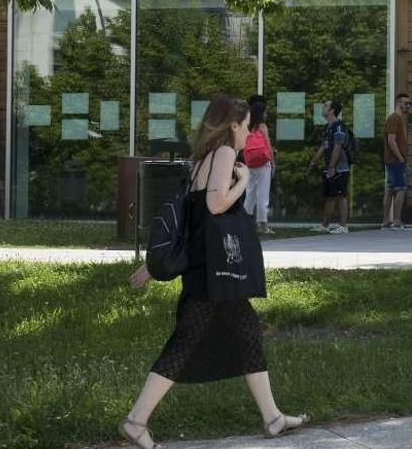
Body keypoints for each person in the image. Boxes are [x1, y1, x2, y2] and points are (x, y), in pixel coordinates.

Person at [120, 96, 308, 449]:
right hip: (215, 273)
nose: (250, 132)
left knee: (247, 333)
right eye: (247, 125)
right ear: (232, 125)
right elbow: (215, 205)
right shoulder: (223, 154)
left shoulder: (201, 160)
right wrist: (245, 180)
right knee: (187, 341)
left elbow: (194, 222)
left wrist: (154, 265)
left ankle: (272, 418)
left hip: (211, 271)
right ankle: (135, 421)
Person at [308, 99, 350, 235]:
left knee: (341, 195)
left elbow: (338, 147)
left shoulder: (339, 126)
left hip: (340, 168)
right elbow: (323, 147)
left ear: (332, 110)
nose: (323, 108)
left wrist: (332, 167)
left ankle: (343, 226)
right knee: (330, 196)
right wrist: (314, 162)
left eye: (326, 106)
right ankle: (325, 225)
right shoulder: (327, 127)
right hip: (329, 167)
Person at [243, 95, 275, 235]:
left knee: (249, 194)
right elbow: (268, 146)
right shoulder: (263, 127)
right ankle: (264, 226)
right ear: (261, 114)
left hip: (250, 164)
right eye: (265, 112)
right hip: (263, 164)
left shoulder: (247, 127)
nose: (266, 114)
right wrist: (273, 163)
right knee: (263, 196)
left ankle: (245, 223)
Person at [381, 93, 412, 231]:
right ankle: (397, 221)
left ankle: (386, 221)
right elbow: (391, 140)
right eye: (406, 104)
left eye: (409, 104)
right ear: (399, 103)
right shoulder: (394, 118)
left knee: (390, 190)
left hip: (393, 160)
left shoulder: (397, 119)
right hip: (395, 160)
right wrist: (400, 158)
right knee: (400, 189)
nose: (408, 106)